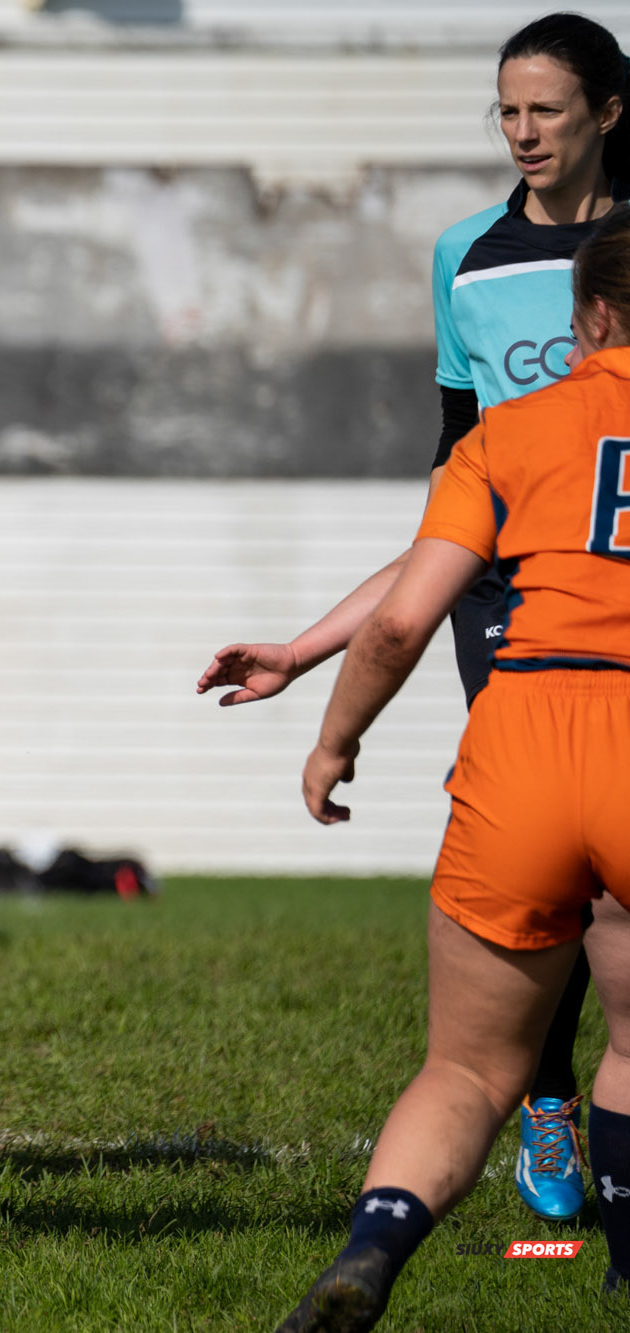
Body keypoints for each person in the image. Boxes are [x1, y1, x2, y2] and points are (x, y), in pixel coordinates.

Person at [197, 12, 628, 1223]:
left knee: (606, 885)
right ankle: (544, 1092)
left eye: (545, 109)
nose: (521, 132)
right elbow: (457, 481)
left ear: (606, 112)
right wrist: (304, 647)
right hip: (508, 605)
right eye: (505, 110)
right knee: (557, 861)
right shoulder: (464, 257)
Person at [277, 204, 630, 1333]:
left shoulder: (511, 433)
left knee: (470, 1070)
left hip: (522, 736)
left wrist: (334, 738)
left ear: (592, 316)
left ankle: (371, 1248)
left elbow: (399, 623)